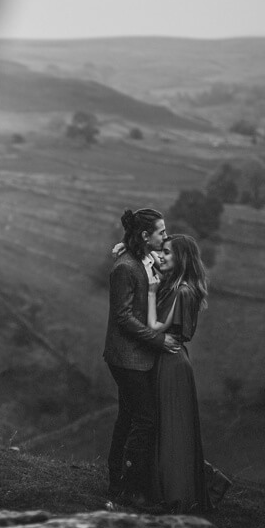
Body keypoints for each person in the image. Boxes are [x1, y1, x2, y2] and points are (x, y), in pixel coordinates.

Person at [147, 234, 229, 513]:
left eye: (168, 253)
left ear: (181, 258)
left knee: (173, 429)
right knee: (168, 426)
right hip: (170, 359)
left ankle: (177, 495)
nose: (162, 256)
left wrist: (149, 290)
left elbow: (157, 326)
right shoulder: (179, 287)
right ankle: (175, 489)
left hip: (171, 362)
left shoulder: (182, 291)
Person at [102, 207, 171, 505]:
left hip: (136, 355)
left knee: (128, 416)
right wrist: (158, 340)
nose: (166, 237)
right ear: (145, 235)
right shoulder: (125, 268)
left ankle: (117, 479)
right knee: (145, 419)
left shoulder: (144, 260)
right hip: (126, 358)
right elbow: (123, 317)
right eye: (162, 232)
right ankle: (129, 485)